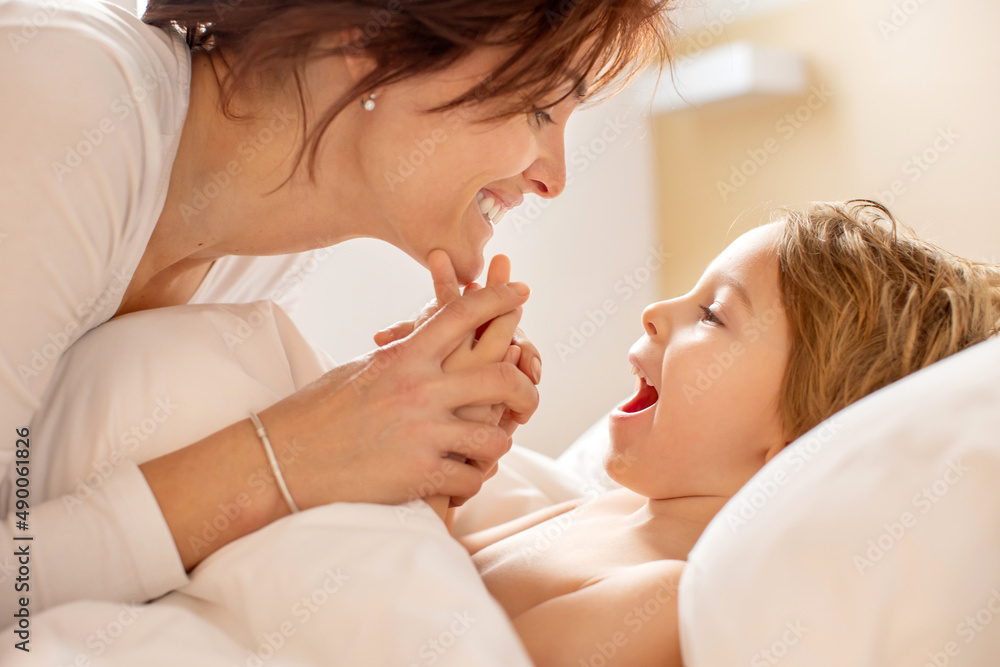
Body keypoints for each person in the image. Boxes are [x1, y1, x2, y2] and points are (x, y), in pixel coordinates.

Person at [0, 0, 673, 616]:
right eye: (539, 107)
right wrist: (299, 450)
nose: (553, 178)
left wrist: (406, 463)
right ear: (369, 37)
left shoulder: (261, 249)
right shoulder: (66, 99)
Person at [448, 201, 1000, 667]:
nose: (654, 312)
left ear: (796, 449)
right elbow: (436, 561)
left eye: (711, 314)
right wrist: (453, 444)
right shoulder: (614, 508)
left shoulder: (662, 598)